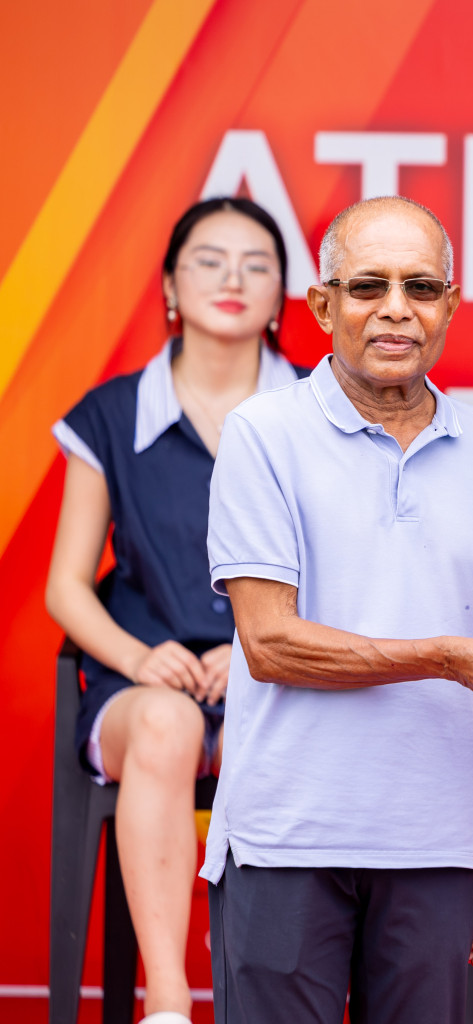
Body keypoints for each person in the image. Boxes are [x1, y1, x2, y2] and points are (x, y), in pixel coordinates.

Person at [199, 195, 473, 1023]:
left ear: (450, 305)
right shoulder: (261, 434)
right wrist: (446, 657)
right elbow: (270, 645)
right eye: (369, 286)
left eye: (422, 287)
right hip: (285, 839)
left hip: (441, 848)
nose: (397, 309)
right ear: (323, 305)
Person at [46, 197, 303, 1024]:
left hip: (285, 672)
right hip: (147, 678)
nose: (233, 278)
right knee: (167, 725)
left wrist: (259, 645)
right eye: (209, 259)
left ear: (284, 296)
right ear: (168, 284)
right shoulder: (113, 414)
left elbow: (355, 567)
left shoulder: (320, 409)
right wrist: (135, 658)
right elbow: (66, 586)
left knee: (308, 734)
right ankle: (167, 1005)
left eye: (257, 263)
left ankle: (267, 998)